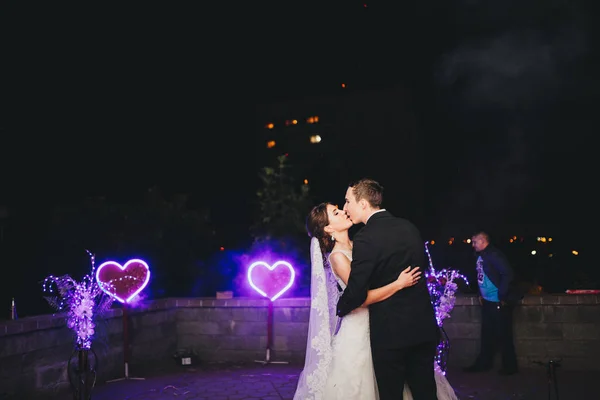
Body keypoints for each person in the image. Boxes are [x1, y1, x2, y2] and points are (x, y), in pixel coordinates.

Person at [294, 200, 458, 400]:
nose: (343, 211)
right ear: (328, 228)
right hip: (359, 326)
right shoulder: (337, 257)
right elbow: (359, 299)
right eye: (336, 213)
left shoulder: (361, 244)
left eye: (340, 208)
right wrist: (398, 284)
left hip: (383, 320)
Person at [338, 178, 443, 400]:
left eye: (348, 201)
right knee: (426, 393)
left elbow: (356, 292)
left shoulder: (365, 237)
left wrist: (340, 307)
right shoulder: (409, 227)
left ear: (364, 204)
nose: (345, 207)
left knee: (391, 394)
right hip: (422, 326)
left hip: (390, 333)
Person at [464, 231, 520, 375]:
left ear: (483, 241)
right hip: (488, 301)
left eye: (474, 241)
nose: (473, 245)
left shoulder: (494, 254)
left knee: (504, 336)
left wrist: (501, 295)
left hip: (498, 302)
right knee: (487, 335)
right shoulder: (480, 256)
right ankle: (484, 364)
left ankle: (510, 367)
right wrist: (480, 294)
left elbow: (508, 273)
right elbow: (481, 277)